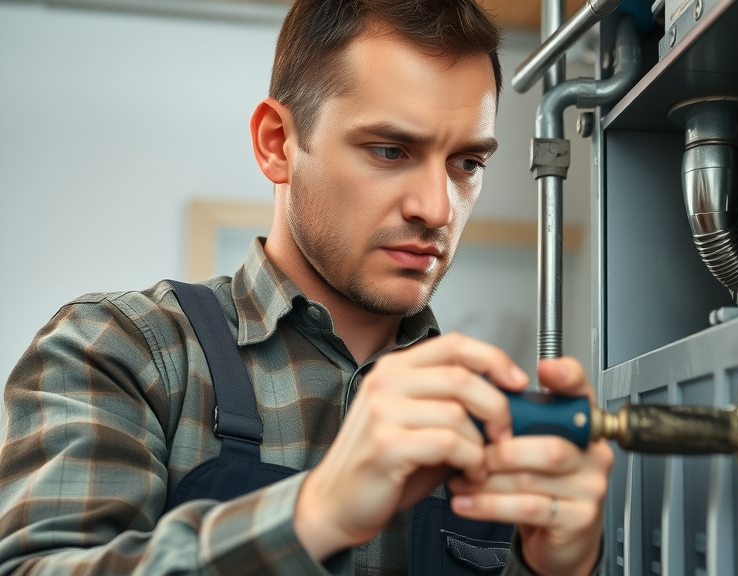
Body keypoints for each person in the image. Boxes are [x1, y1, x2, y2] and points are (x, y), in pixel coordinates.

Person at [0, 0, 613, 575]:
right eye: (390, 149)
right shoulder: (121, 351)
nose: (437, 207)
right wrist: (315, 512)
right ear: (277, 144)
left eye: (467, 164)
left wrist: (555, 567)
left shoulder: (487, 419)